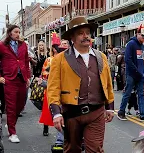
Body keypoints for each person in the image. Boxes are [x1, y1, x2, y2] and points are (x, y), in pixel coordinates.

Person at [47, 16, 115, 153]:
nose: (86, 36)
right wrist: (56, 113)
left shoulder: (101, 57)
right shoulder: (59, 60)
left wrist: (110, 107)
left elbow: (107, 83)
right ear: (72, 38)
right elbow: (53, 88)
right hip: (72, 113)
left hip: (96, 112)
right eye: (80, 33)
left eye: (87, 33)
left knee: (95, 149)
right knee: (72, 149)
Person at [0, 25, 31, 143]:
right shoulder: (2, 46)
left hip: (22, 78)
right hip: (9, 79)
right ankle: (12, 133)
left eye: (19, 32)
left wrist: (27, 77)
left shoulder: (23, 45)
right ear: (10, 33)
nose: (18, 34)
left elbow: (26, 61)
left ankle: (10, 122)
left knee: (21, 104)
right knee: (11, 106)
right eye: (16, 32)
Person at [117, 25, 144, 121]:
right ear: (137, 34)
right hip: (131, 73)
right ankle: (121, 111)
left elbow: (141, 59)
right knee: (127, 93)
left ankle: (143, 113)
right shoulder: (131, 44)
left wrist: (142, 71)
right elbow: (128, 59)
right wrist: (136, 71)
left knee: (141, 94)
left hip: (139, 74)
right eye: (142, 35)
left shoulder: (142, 46)